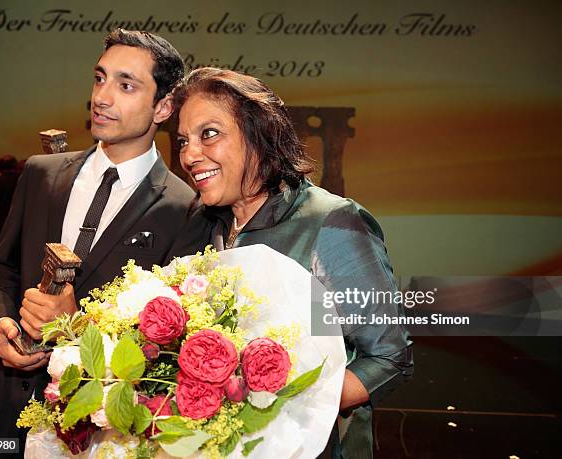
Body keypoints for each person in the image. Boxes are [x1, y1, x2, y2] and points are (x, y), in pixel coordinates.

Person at [168, 68, 414, 459]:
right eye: (183, 140)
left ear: (259, 135)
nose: (189, 155)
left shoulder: (327, 223)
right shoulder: (200, 227)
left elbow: (387, 357)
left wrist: (287, 411)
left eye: (209, 134)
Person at [0, 29, 195, 448]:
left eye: (126, 85)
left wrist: (77, 325)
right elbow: (0, 267)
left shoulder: (185, 209)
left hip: (104, 431)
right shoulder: (41, 174)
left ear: (163, 106)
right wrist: (0, 325)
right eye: (99, 78)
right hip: (9, 414)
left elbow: (168, 343)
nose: (102, 97)